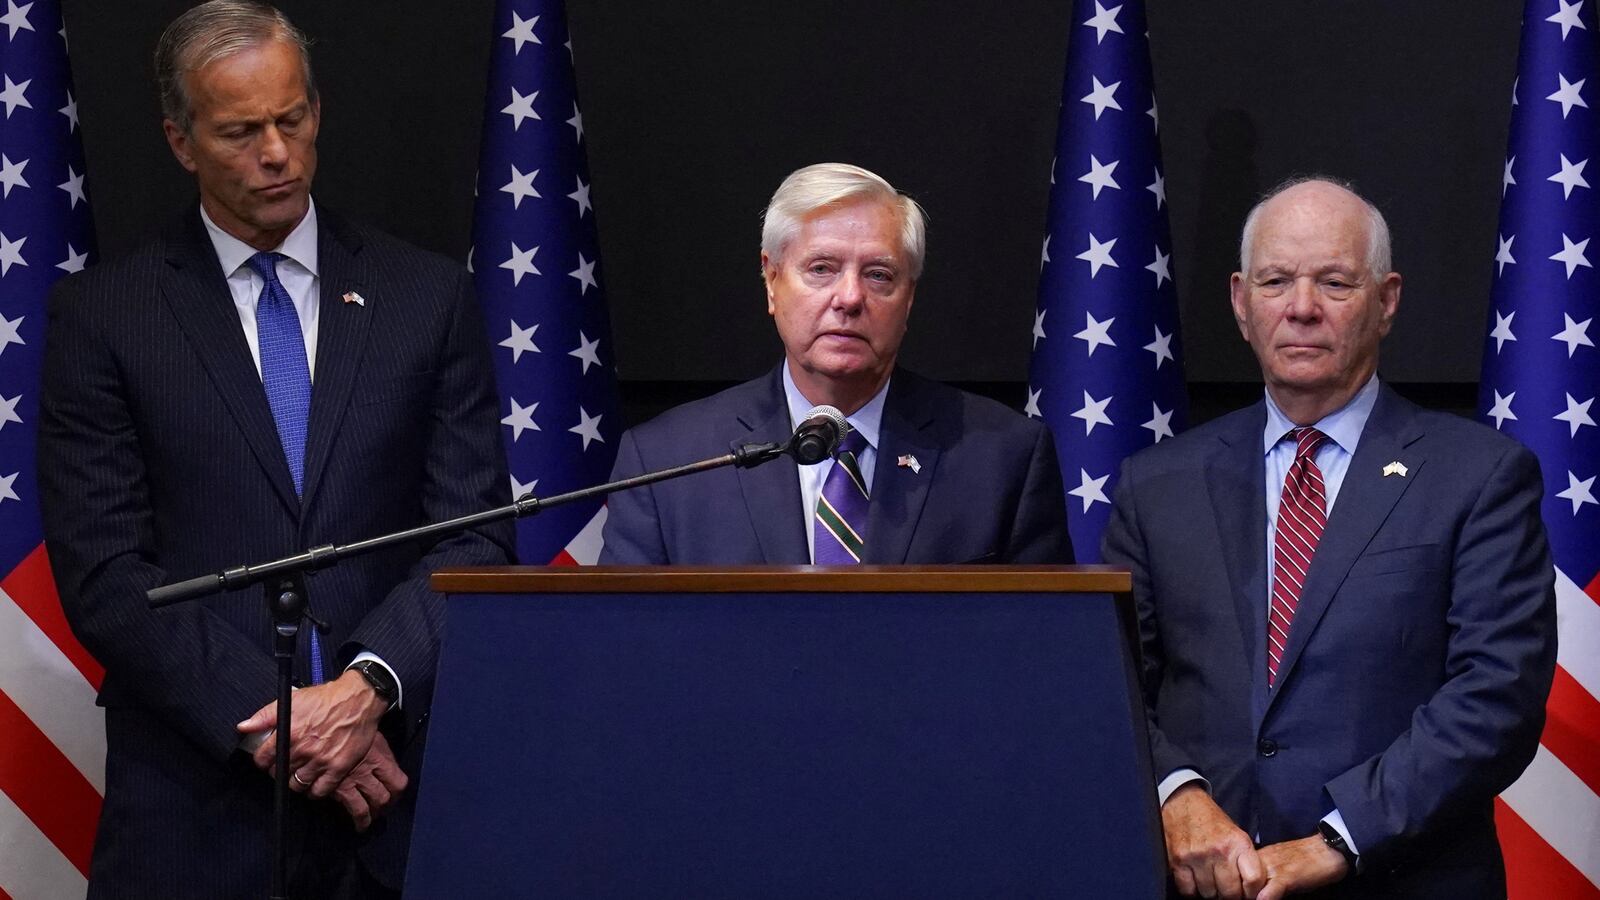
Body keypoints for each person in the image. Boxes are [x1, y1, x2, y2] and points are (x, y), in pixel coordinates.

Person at [37, 2, 512, 896]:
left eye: (292, 120)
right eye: (240, 132)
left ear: (317, 110)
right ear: (181, 142)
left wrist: (368, 688)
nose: (277, 153)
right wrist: (286, 724)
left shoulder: (425, 297)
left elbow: (476, 536)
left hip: (393, 809)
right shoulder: (107, 317)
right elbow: (106, 573)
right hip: (197, 811)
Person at [1103, 177, 1556, 899]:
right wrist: (1175, 792)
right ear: (1240, 301)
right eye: (1276, 281)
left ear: (1387, 300)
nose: (1302, 307)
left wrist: (1340, 840)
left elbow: (1497, 695)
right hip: (1202, 887)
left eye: (1335, 283)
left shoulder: (1480, 476)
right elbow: (1114, 681)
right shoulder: (1156, 483)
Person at [600, 163, 1073, 566]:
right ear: (771, 280)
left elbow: (1044, 638)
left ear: (909, 298)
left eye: (878, 275)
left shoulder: (1004, 457)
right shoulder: (666, 460)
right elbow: (627, 637)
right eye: (821, 269)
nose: (849, 298)